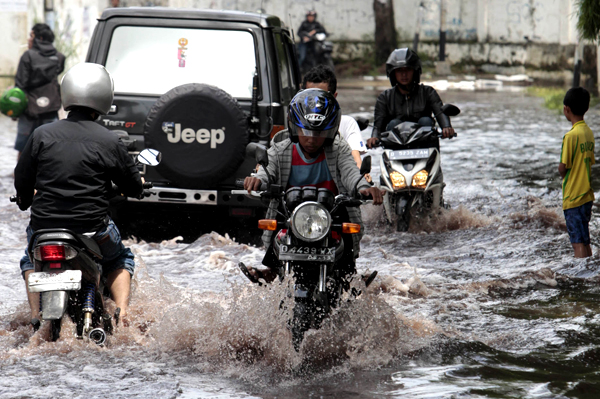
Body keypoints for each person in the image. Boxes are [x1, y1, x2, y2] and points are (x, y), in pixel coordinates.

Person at [14, 63, 144, 330]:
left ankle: (36, 317)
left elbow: (22, 178)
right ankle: (122, 316)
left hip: (44, 229)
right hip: (91, 232)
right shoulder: (109, 140)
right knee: (121, 259)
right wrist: (137, 186)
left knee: (30, 259)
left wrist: (25, 200)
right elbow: (133, 187)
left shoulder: (41, 134)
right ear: (104, 97)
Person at [243, 88, 384, 282]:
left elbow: (352, 173)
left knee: (348, 238)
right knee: (276, 225)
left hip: (331, 213)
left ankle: (348, 277)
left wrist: (364, 188)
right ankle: (274, 272)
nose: (311, 139)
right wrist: (258, 180)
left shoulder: (338, 148)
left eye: (318, 133)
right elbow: (268, 170)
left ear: (330, 130)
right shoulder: (281, 147)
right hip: (291, 214)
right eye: (305, 131)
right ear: (294, 128)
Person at [366, 48, 455, 149]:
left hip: (425, 149)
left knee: (425, 121)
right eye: (399, 71)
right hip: (396, 151)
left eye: (407, 70)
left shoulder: (428, 92)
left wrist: (446, 127)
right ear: (393, 73)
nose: (404, 74)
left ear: (415, 71)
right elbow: (378, 124)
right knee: (393, 123)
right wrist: (374, 137)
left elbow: (440, 112)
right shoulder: (385, 97)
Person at [14, 23, 65, 161]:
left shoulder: (27, 56)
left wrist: (14, 111)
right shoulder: (59, 57)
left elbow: (20, 85)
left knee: (23, 149)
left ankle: (20, 177)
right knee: (50, 148)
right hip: (51, 108)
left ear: (39, 38)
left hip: (28, 110)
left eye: (31, 36)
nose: (28, 39)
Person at [559, 87, 594, 258]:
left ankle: (582, 276)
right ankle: (590, 269)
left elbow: (563, 167)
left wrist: (562, 173)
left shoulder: (570, 136)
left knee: (577, 242)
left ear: (567, 109)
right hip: (587, 197)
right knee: (585, 239)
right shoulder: (588, 132)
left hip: (573, 198)